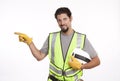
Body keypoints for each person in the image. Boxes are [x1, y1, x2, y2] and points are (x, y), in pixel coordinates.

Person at [14, 7, 100, 81]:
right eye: (59, 20)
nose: (62, 23)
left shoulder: (81, 39)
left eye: (65, 19)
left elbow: (96, 61)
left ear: (71, 18)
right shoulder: (52, 37)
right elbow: (39, 57)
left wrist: (81, 66)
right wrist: (29, 42)